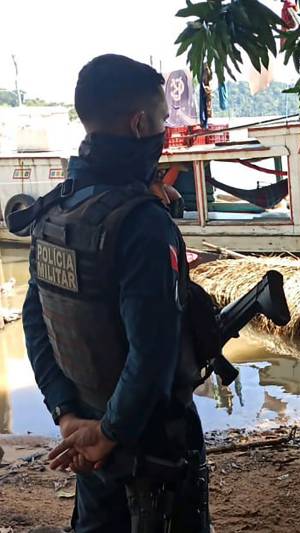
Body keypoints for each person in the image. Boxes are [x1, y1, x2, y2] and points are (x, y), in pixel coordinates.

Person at [20, 54, 209, 532]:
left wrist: (67, 414)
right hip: (150, 450)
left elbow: (36, 322)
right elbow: (153, 354)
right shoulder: (142, 225)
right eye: (164, 119)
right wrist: (110, 433)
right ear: (140, 122)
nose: (165, 131)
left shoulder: (54, 212)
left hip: (86, 433)